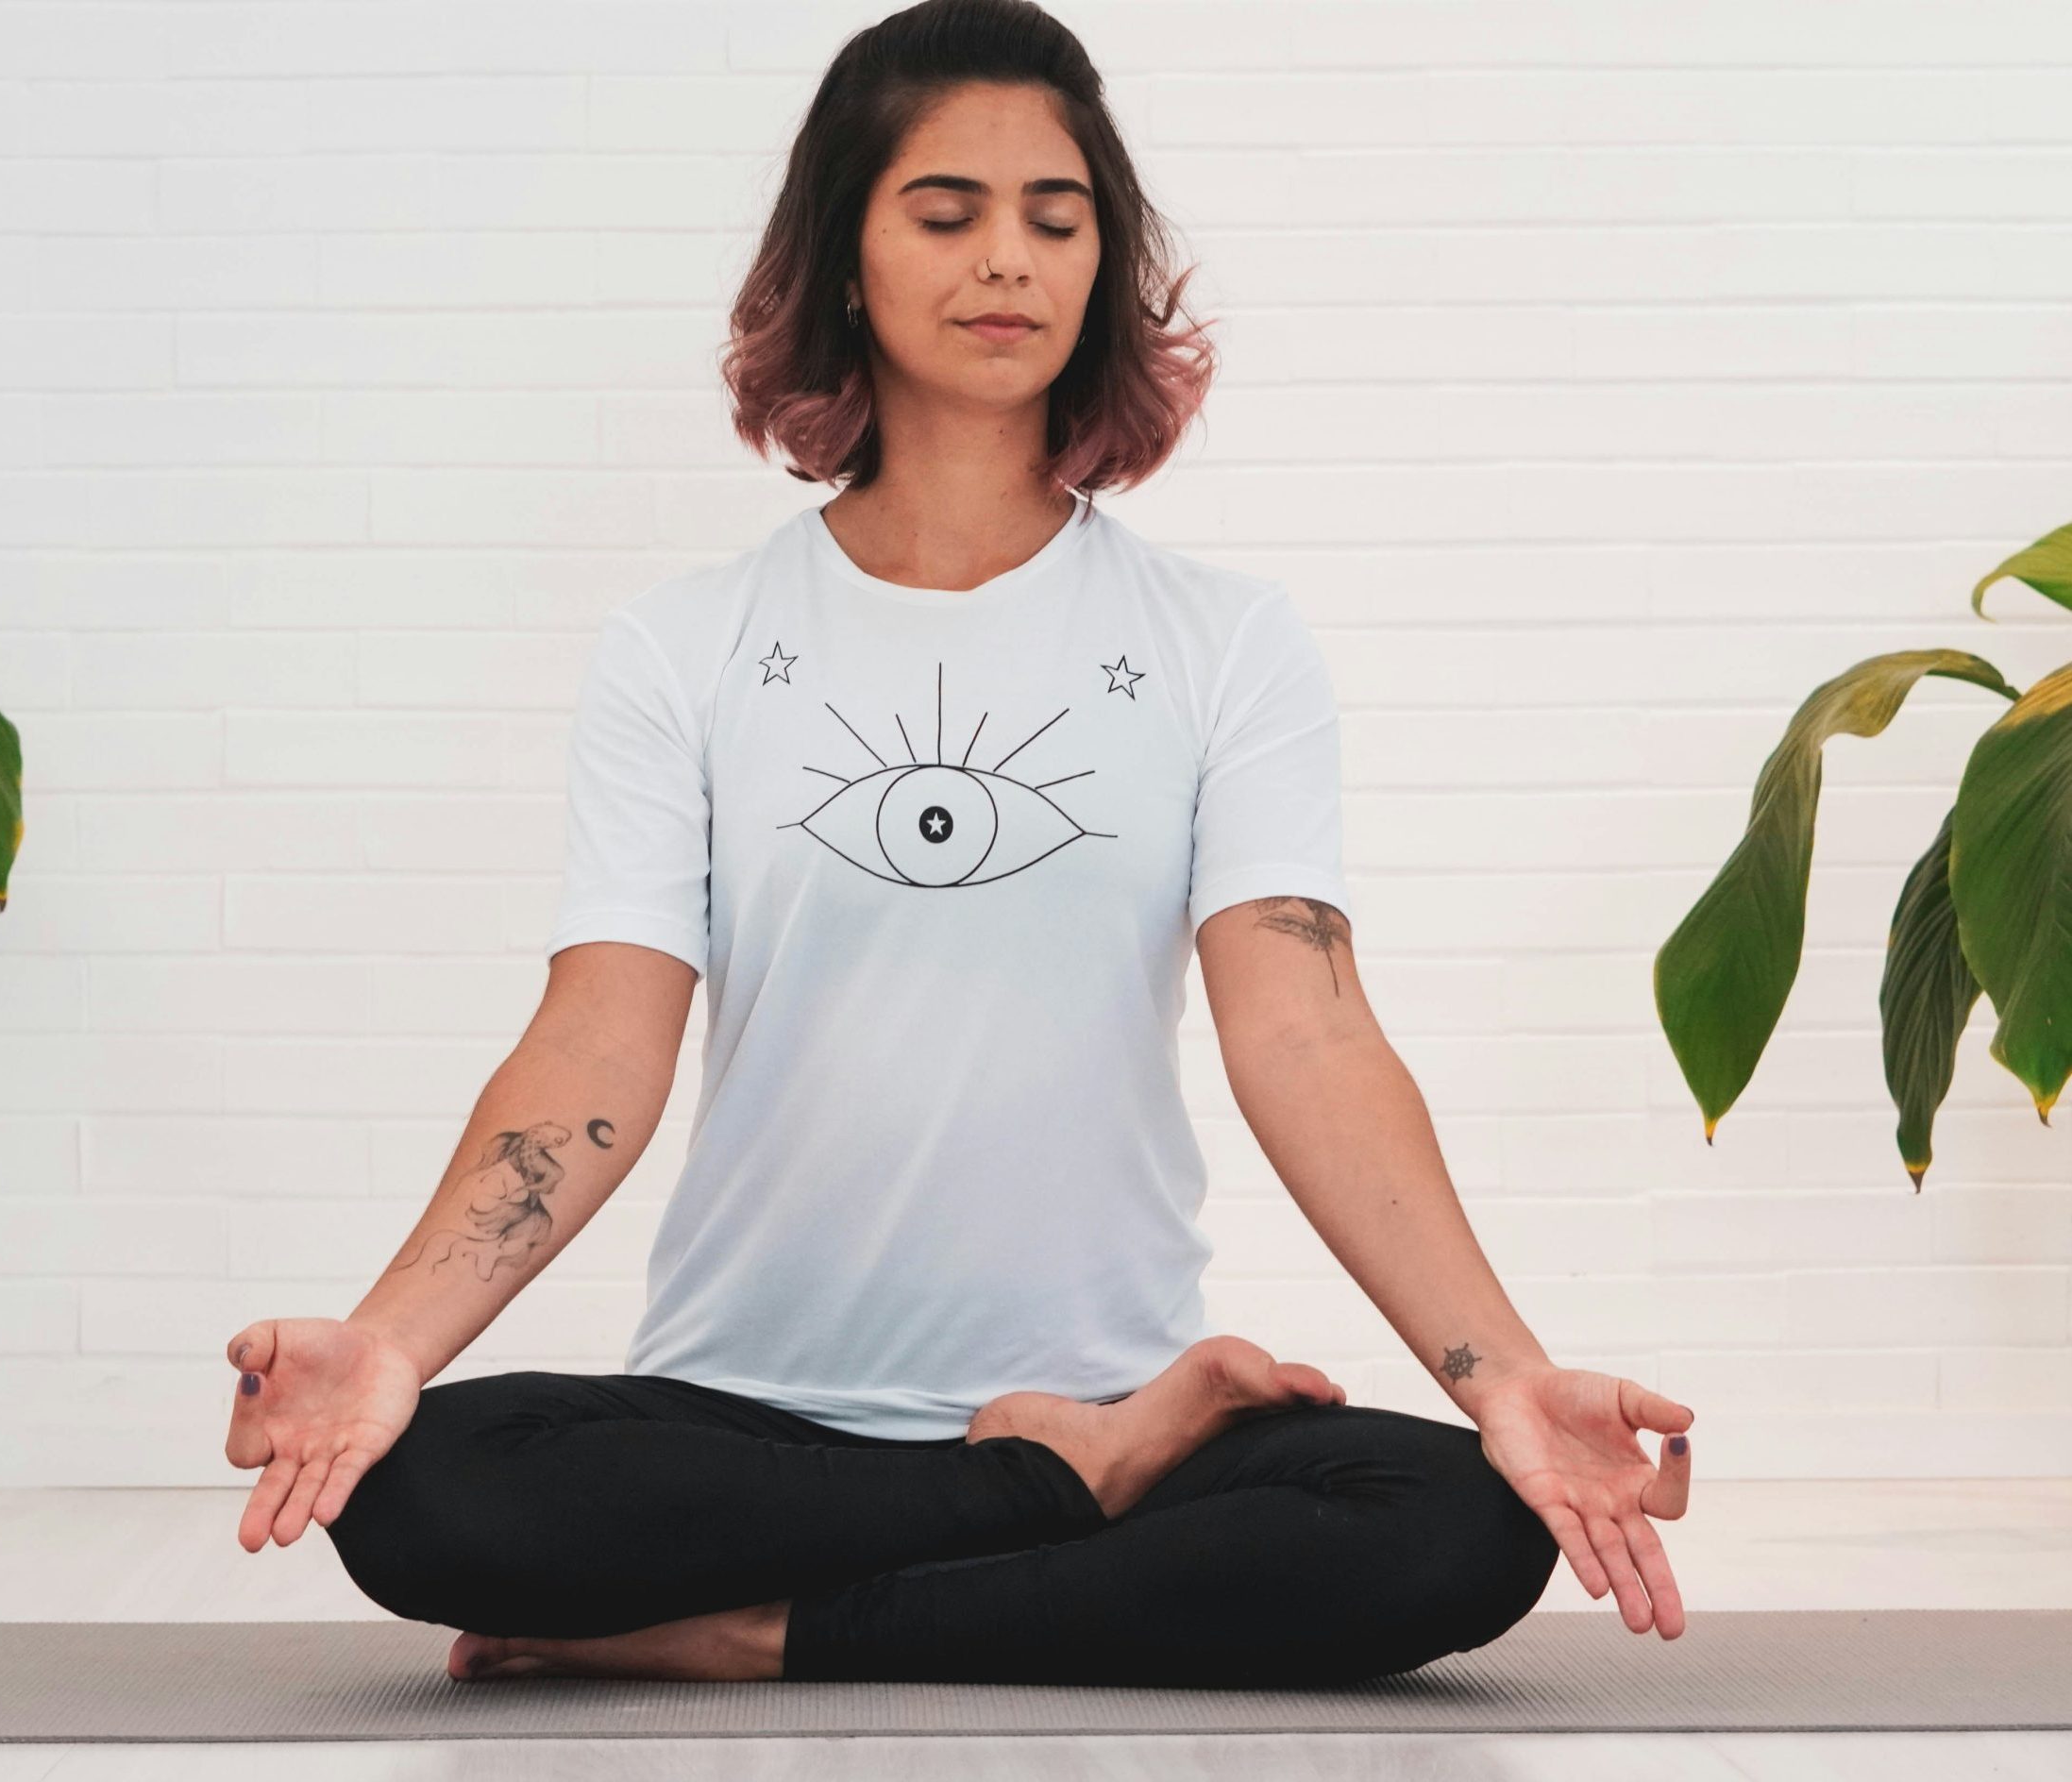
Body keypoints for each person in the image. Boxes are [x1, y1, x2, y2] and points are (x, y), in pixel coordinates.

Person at [222, 0, 1695, 1688]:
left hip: (1106, 1366)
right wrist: (388, 1343)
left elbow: (1304, 1028)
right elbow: (594, 1042)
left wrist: (1500, 1377)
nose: (1008, 260)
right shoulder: (683, 645)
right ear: (845, 256)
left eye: (1054, 221)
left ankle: (759, 1628)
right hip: (747, 1420)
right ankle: (1063, 1488)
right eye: (946, 213)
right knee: (418, 1496)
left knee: (1458, 1527)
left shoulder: (1222, 641)